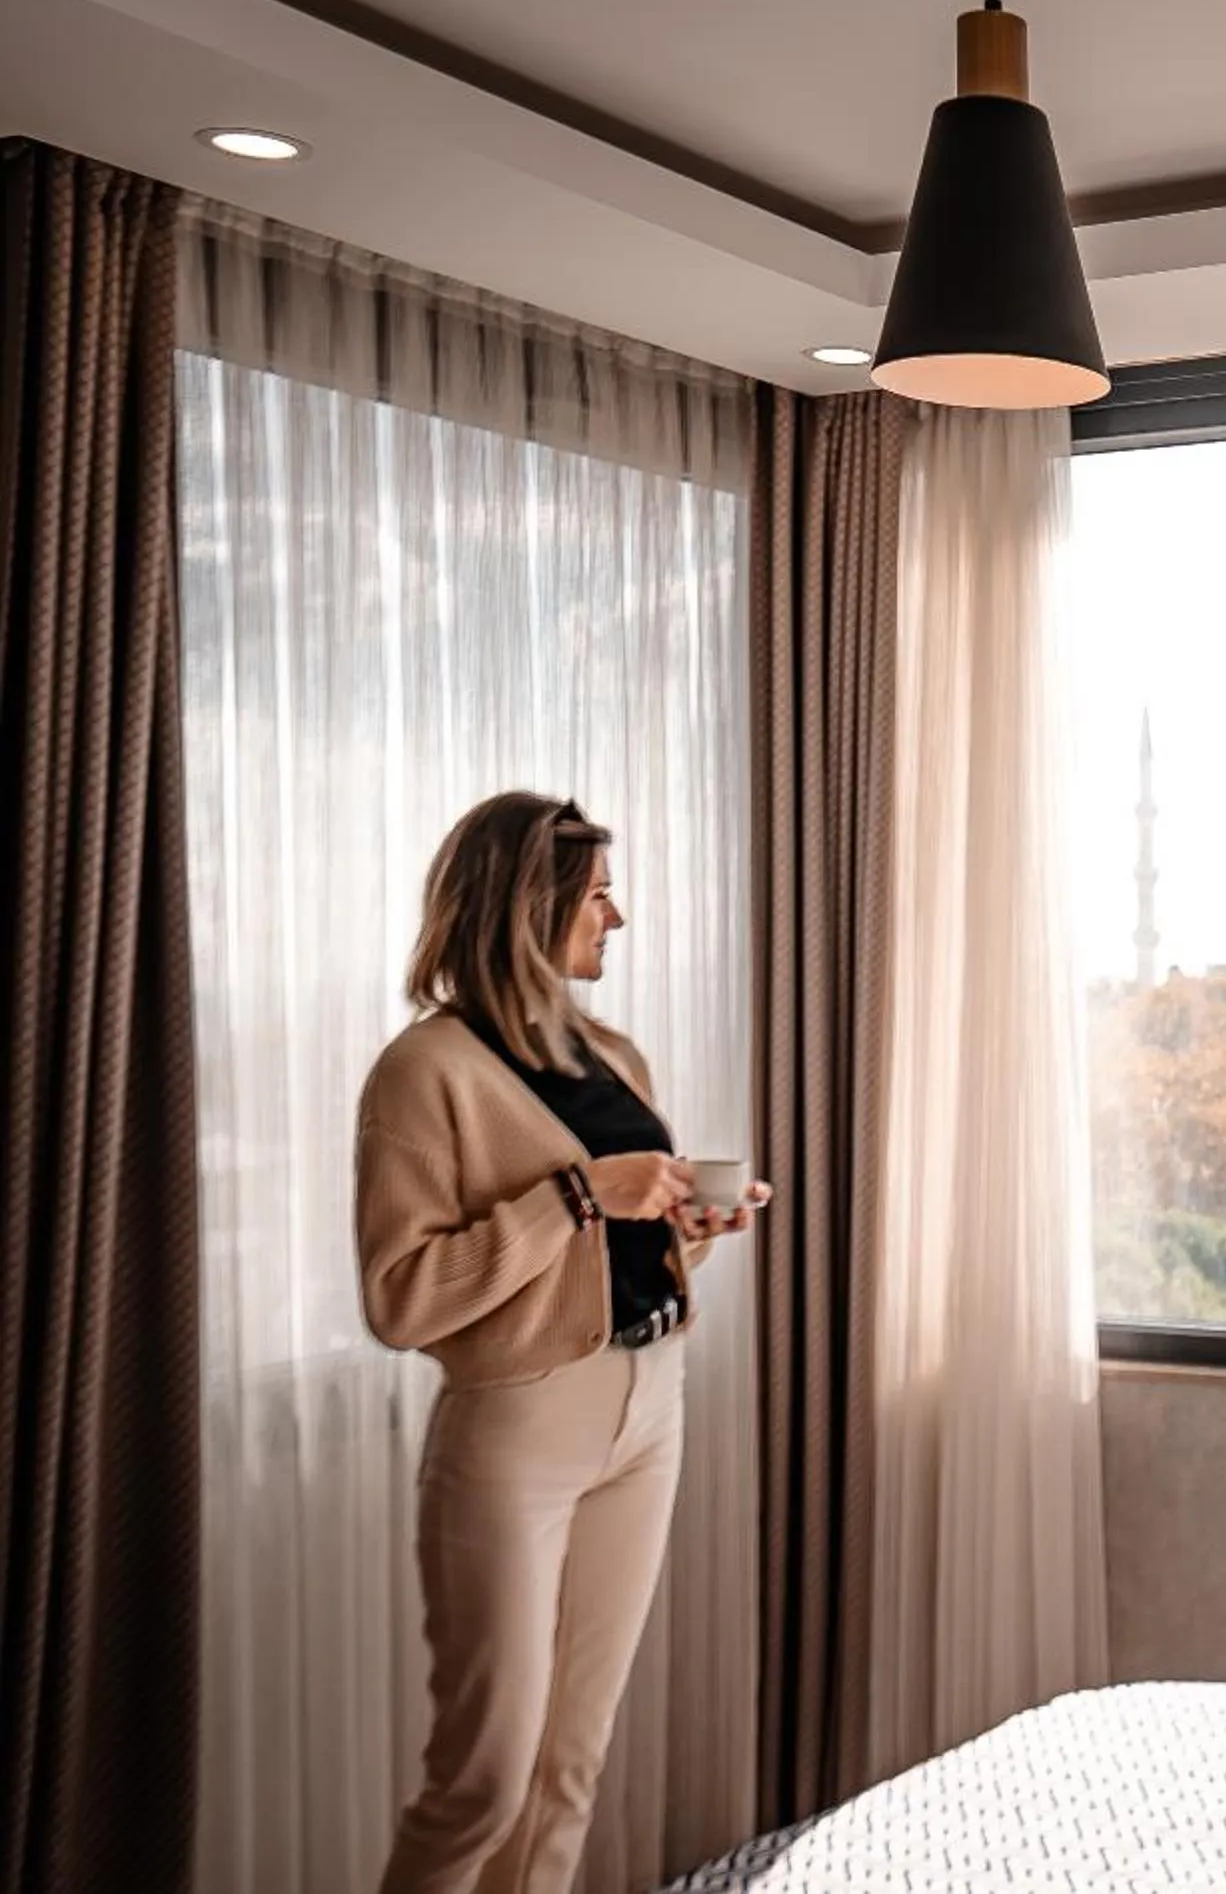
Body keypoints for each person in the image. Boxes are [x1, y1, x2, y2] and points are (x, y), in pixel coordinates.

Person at [355, 793, 763, 1894]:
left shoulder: (611, 1053)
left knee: (568, 1770)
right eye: (595, 897)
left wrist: (691, 1225)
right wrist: (576, 1196)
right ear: (525, 906)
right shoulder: (424, 1072)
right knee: (484, 1782)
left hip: (651, 1403)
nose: (615, 919)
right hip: (521, 1426)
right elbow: (401, 1297)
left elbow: (613, 1242)